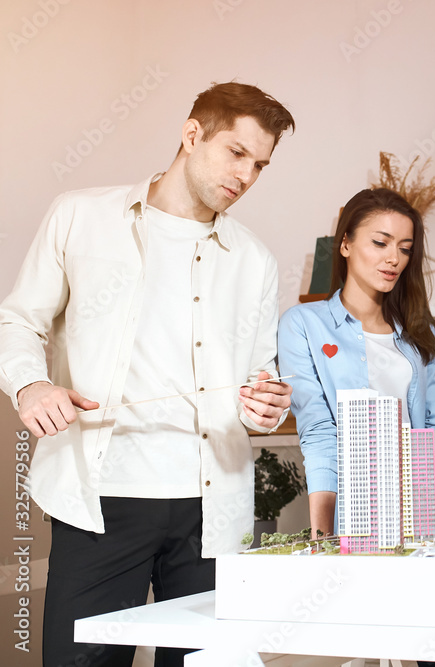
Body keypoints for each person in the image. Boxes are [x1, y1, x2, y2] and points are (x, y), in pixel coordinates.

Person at [0, 81, 295, 666]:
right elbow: (18, 321)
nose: (246, 176)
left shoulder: (256, 260)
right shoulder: (79, 216)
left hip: (212, 506)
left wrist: (267, 406)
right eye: (237, 152)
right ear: (192, 134)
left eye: (260, 165)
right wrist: (31, 385)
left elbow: (259, 380)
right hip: (102, 497)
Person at [278, 187, 435, 539]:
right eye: (380, 243)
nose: (394, 259)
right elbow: (318, 431)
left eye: (405, 249)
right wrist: (322, 536)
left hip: (420, 508)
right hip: (352, 512)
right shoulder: (302, 324)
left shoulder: (423, 334)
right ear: (345, 244)